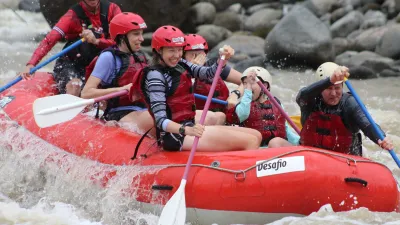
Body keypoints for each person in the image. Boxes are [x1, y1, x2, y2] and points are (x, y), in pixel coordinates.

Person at [131, 25, 262, 152]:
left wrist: (223, 59)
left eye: (179, 50)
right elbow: (160, 121)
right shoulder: (155, 76)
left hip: (191, 127)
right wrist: (186, 130)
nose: (177, 55)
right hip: (175, 136)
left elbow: (208, 72)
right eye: (171, 50)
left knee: (257, 135)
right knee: (251, 141)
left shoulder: (181, 64)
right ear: (159, 51)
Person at [19, 0, 121, 96]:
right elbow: (50, 40)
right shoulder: (72, 16)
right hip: (72, 64)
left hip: (99, 65)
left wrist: (97, 41)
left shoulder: (112, 10)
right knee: (75, 86)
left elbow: (120, 43)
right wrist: (32, 63)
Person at [296, 62, 393, 156]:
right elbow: (302, 95)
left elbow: (367, 124)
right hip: (309, 157)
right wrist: (331, 79)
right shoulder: (309, 101)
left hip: (345, 160)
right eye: (329, 88)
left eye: (337, 88)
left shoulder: (349, 103)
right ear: (321, 88)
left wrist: (381, 138)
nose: (333, 93)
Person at [80, 12, 154, 135]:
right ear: (122, 36)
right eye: (136, 34)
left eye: (141, 34)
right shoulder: (108, 58)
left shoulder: (140, 56)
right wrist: (121, 89)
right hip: (120, 113)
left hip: (143, 109)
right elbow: (86, 93)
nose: (141, 38)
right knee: (158, 119)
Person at [226, 66, 299, 148]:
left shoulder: (276, 104)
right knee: (275, 143)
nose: (247, 86)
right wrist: (249, 90)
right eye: (245, 83)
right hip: (256, 151)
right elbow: (243, 114)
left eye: (252, 82)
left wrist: (300, 141)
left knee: (276, 142)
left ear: (265, 86)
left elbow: (286, 131)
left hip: (276, 149)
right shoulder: (243, 105)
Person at [183, 33, 242, 125]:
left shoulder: (214, 66)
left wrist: (235, 95)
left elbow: (246, 81)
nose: (199, 58)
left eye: (201, 54)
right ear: (183, 56)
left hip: (222, 117)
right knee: (218, 116)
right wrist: (193, 70)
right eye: (193, 54)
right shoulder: (178, 71)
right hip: (197, 121)